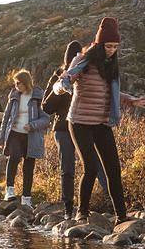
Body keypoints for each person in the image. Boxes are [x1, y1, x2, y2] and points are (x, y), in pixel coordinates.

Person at [55, 16, 145, 223]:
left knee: (113, 169)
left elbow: (112, 93)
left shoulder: (111, 66)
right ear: (99, 44)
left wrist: (131, 101)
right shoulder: (82, 61)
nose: (112, 50)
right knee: (90, 167)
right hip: (79, 122)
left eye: (115, 46)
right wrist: (65, 84)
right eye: (108, 45)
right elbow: (65, 79)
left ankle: (121, 216)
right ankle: (82, 212)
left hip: (102, 122)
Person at [43, 41, 105, 219]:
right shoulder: (58, 76)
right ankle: (68, 208)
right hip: (64, 128)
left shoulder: (90, 72)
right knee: (68, 168)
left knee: (96, 165)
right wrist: (61, 87)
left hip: (86, 125)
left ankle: (106, 203)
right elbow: (46, 107)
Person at [0, 69, 50, 206]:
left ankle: (26, 197)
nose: (16, 86)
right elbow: (6, 117)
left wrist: (32, 125)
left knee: (29, 166)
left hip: (31, 136)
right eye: (15, 83)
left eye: (18, 83)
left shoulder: (39, 96)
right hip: (14, 132)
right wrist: (1, 138)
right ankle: (9, 190)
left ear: (26, 82)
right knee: (14, 157)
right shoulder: (14, 95)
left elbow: (46, 118)